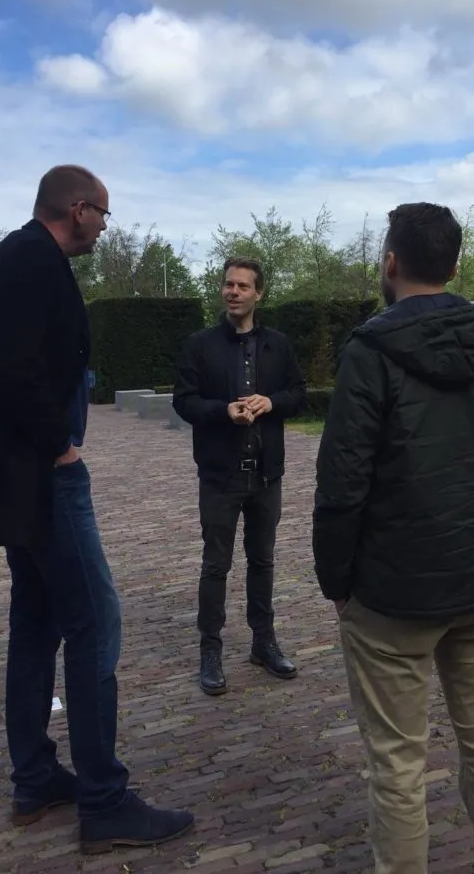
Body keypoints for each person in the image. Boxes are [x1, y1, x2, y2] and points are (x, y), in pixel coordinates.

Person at [0, 165, 194, 856]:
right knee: (95, 623)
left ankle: (36, 777)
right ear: (78, 209)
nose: (105, 227)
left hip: (25, 477)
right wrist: (61, 449)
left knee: (37, 619)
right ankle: (104, 801)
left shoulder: (24, 256)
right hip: (45, 476)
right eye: (104, 215)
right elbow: (14, 367)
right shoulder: (30, 258)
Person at [312, 203, 474, 874]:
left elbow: (342, 486)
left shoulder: (370, 353)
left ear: (390, 262)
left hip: (392, 597)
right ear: (455, 266)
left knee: (397, 761)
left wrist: (336, 582)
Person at [173, 257, 307, 696]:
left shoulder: (278, 344)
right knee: (216, 565)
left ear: (258, 293)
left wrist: (272, 402)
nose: (233, 292)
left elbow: (298, 393)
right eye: (228, 284)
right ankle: (210, 650)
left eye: (243, 286)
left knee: (263, 561)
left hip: (267, 474)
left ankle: (263, 643)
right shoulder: (199, 344)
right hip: (220, 475)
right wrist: (222, 410)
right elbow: (184, 401)